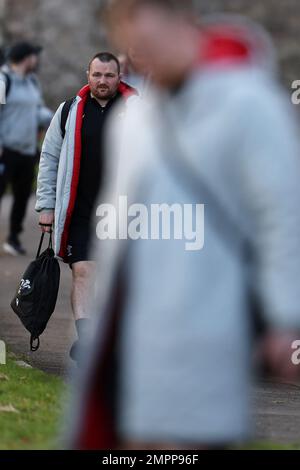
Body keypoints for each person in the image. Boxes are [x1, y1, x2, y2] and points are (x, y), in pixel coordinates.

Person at [68, 1, 300, 450]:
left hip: (215, 325)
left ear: (185, 21)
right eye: (128, 39)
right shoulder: (133, 121)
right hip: (139, 332)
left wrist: (285, 316)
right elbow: (119, 237)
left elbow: (282, 214)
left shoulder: (251, 104)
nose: (139, 53)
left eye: (149, 37)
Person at [35, 52, 137, 362]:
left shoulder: (140, 111)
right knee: (83, 272)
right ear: (87, 75)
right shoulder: (69, 111)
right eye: (97, 75)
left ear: (119, 76)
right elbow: (50, 158)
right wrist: (46, 205)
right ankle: (88, 337)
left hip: (124, 211)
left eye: (109, 75)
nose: (102, 81)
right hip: (78, 210)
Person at [0, 41, 53, 255]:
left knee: (22, 196)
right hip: (6, 151)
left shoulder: (32, 82)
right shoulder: (4, 80)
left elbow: (37, 111)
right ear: (27, 57)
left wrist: (61, 116)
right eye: (35, 56)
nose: (37, 60)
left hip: (28, 150)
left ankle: (13, 237)